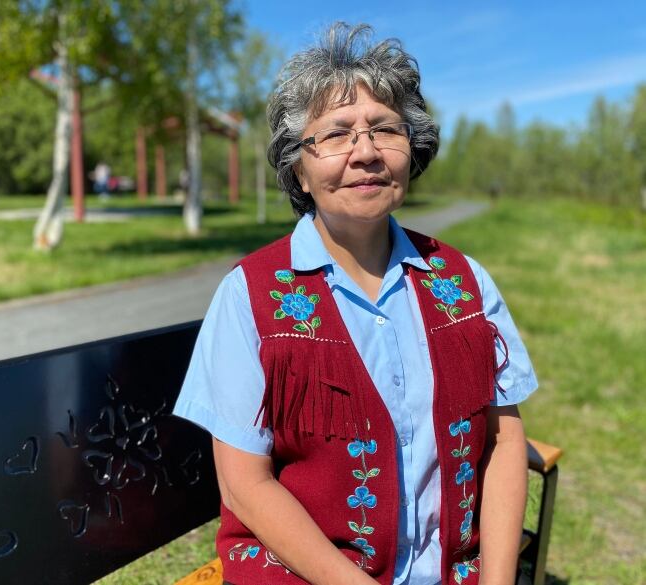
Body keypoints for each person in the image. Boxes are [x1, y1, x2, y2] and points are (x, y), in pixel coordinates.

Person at [173, 23, 537, 585]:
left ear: (410, 149)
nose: (365, 152)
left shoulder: (464, 282)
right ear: (298, 164)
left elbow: (505, 440)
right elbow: (244, 485)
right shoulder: (250, 296)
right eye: (337, 134)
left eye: (385, 129)